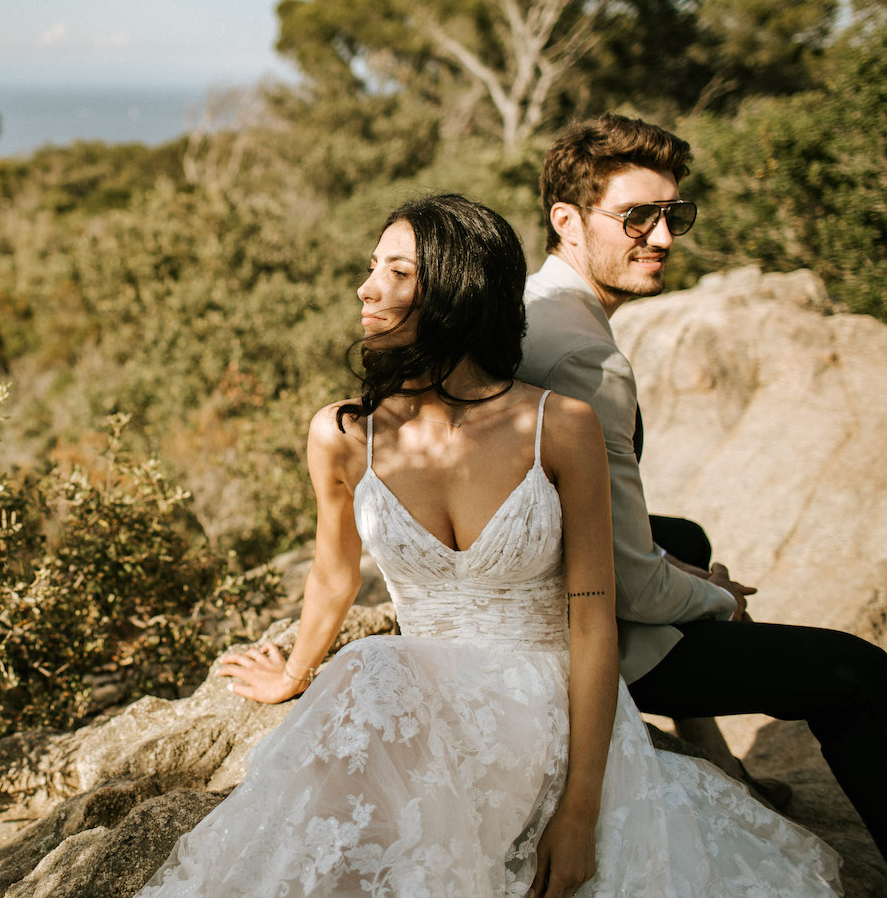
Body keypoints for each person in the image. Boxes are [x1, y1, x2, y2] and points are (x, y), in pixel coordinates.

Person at [136, 193, 841, 898]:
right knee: (366, 689)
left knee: (374, 671)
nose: (366, 286)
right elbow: (332, 574)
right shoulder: (345, 433)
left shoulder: (560, 425)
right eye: (371, 266)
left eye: (397, 272)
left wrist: (579, 813)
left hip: (546, 711)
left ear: (457, 290)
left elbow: (592, 625)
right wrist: (293, 674)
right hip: (426, 703)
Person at [521, 113, 887, 860]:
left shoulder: (534, 307)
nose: (660, 238)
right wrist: (720, 596)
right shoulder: (587, 361)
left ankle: (719, 765)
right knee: (859, 674)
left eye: (672, 215)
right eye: (636, 218)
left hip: (541, 580)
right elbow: (629, 590)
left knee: (682, 538)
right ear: (567, 220)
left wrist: (681, 566)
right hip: (577, 636)